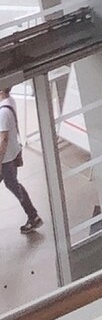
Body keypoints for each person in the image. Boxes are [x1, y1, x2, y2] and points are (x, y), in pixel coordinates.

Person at [0, 87, 43, 233]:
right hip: (12, 155)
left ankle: (33, 216)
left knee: (13, 185)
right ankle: (33, 216)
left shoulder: (3, 112)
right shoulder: (10, 101)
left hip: (5, 160)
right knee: (13, 185)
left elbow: (3, 140)